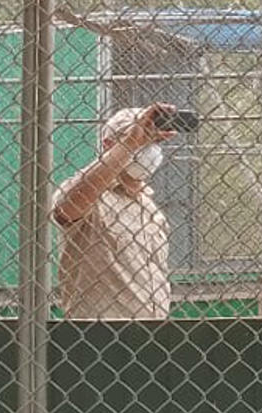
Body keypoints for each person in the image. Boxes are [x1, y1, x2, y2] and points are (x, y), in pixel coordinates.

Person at [50, 103, 180, 320]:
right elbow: (67, 208)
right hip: (99, 334)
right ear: (109, 144)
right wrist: (130, 143)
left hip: (153, 332)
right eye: (142, 139)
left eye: (155, 140)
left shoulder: (149, 206)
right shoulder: (93, 197)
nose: (149, 147)